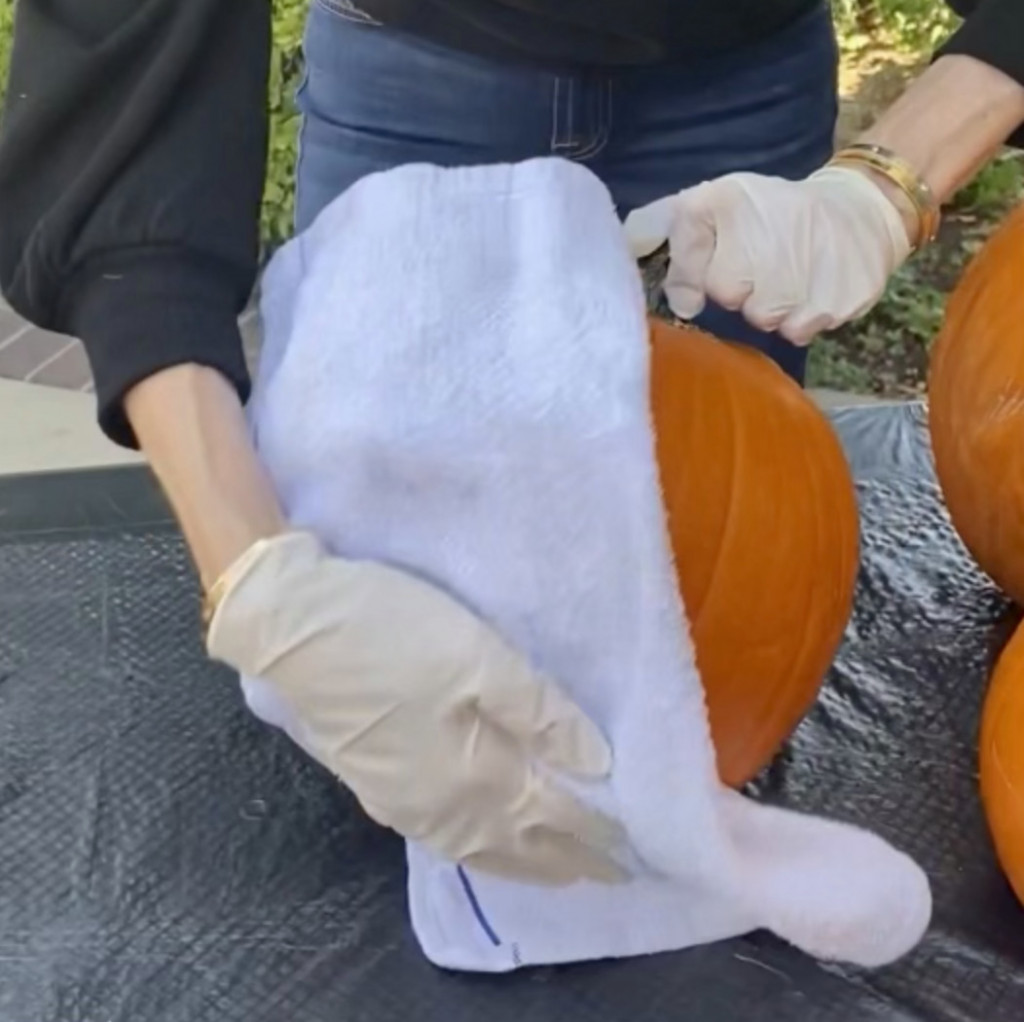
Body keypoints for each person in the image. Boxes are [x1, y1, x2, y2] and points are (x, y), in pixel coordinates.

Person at [0, 0, 1021, 889]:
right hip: (416, 67)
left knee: (707, 584)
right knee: (414, 705)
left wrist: (887, 182)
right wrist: (252, 568)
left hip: (740, 78)